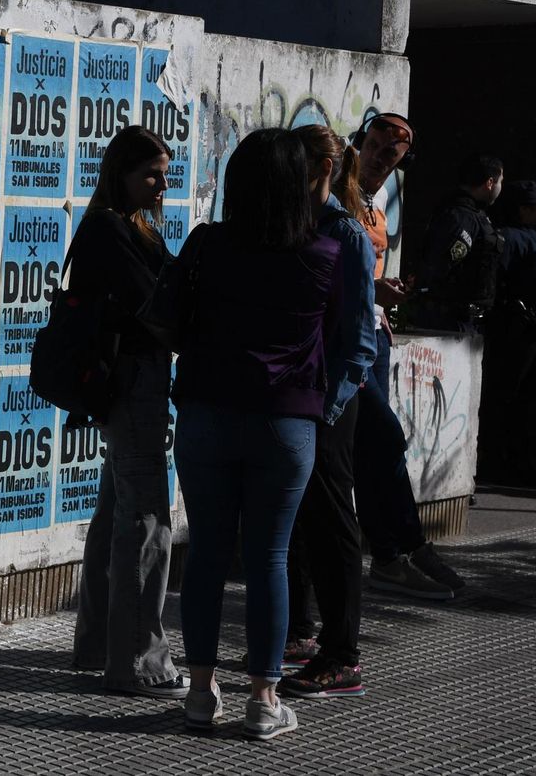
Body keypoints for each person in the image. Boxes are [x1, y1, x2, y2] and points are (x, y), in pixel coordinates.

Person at [166, 128, 340, 741]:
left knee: (208, 553)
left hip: (207, 413)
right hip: (286, 421)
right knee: (269, 557)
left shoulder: (206, 245)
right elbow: (345, 344)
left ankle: (198, 692)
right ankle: (264, 701)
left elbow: (174, 321)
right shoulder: (323, 254)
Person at [68, 125, 186, 700]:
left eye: (165, 173)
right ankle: (139, 661)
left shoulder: (130, 227)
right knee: (145, 524)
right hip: (132, 383)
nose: (163, 185)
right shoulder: (111, 231)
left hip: (133, 383)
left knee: (117, 513)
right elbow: (160, 307)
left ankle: (98, 645)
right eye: (151, 175)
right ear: (121, 174)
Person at [350, 113, 465, 599]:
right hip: (348, 339)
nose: (378, 158)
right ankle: (407, 547)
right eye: (373, 146)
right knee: (384, 437)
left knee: (373, 450)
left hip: (373, 332)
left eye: (389, 154)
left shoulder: (376, 208)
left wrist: (380, 300)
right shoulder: (339, 196)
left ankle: (392, 556)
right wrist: (370, 290)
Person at [280, 125, 376, 700]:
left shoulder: (345, 233)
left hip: (329, 402)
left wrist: (329, 406)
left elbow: (359, 339)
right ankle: (301, 629)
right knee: (297, 518)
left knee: (333, 517)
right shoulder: (293, 226)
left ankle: (343, 654)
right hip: (295, 397)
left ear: (321, 168)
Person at [480, 181, 536, 485]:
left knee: (525, 400)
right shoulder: (513, 238)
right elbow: (495, 278)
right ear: (523, 210)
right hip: (524, 331)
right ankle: (506, 463)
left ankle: (517, 461)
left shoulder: (532, 238)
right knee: (513, 400)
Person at [411, 153, 504, 334]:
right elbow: (440, 266)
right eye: (500, 181)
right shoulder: (463, 217)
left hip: (464, 320)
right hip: (452, 322)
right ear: (490, 183)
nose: (501, 188)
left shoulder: (474, 214)